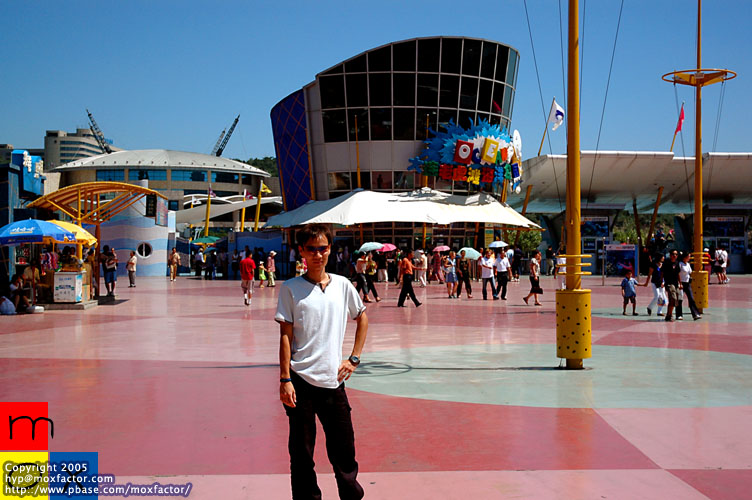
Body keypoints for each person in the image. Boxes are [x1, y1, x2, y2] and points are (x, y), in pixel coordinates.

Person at [275, 223, 368, 500]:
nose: (318, 254)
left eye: (323, 248)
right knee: (301, 452)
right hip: (300, 382)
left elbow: (362, 317)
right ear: (301, 251)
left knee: (344, 449)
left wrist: (354, 359)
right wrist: (284, 379)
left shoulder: (342, 285)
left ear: (330, 249)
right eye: (312, 249)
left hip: (333, 381)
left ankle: (351, 495)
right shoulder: (291, 288)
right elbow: (285, 337)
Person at [678, 251, 701, 321]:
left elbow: (690, 272)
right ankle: (679, 314)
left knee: (691, 298)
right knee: (680, 299)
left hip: (687, 283)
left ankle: (695, 314)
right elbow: (677, 273)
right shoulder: (680, 264)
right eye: (689, 256)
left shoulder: (688, 264)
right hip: (681, 283)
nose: (690, 258)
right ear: (685, 257)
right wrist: (679, 283)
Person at [662, 250, 681, 322]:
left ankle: (668, 315)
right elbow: (662, 272)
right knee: (673, 298)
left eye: (676, 254)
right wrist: (662, 281)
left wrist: (680, 283)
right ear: (670, 255)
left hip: (675, 283)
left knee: (674, 300)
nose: (675, 255)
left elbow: (678, 273)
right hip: (669, 283)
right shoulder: (666, 262)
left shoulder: (677, 263)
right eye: (673, 254)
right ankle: (670, 315)